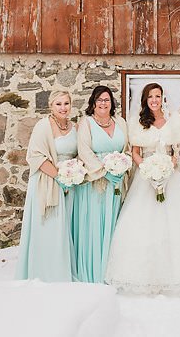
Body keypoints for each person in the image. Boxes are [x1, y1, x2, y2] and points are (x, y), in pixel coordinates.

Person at [105, 83, 180, 294]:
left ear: (163, 98)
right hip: (145, 176)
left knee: (176, 225)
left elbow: (177, 150)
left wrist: (170, 164)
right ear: (145, 99)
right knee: (142, 225)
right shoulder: (138, 122)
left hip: (171, 177)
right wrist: (146, 168)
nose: (154, 100)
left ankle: (177, 275)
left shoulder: (174, 120)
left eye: (158, 96)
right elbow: (135, 152)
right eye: (150, 96)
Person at [16, 90, 78, 281]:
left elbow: (78, 153)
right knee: (49, 228)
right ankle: (46, 273)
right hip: (47, 182)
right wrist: (59, 177)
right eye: (58, 104)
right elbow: (35, 156)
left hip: (70, 183)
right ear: (51, 106)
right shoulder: (43, 126)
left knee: (65, 227)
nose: (63, 108)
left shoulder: (74, 127)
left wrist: (73, 173)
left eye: (66, 103)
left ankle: (64, 269)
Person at [73, 85, 129, 283]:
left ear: (112, 102)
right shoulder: (86, 123)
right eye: (99, 100)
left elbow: (128, 148)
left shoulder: (120, 122)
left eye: (106, 99)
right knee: (95, 225)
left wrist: (123, 167)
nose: (103, 103)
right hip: (96, 182)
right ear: (93, 103)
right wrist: (104, 172)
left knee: (115, 225)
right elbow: (84, 150)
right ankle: (95, 272)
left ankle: (113, 272)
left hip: (117, 181)